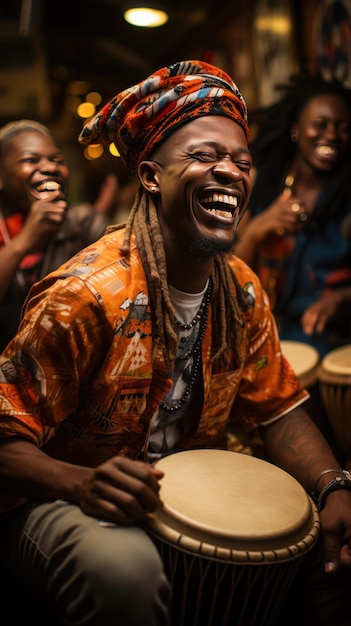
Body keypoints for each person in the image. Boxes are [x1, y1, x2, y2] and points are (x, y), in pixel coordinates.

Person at [0, 60, 350, 626]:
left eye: (241, 160)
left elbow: (280, 407)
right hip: (58, 495)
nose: (230, 172)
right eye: (204, 156)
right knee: (125, 573)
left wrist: (335, 487)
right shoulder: (86, 297)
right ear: (151, 176)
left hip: (177, 485)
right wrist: (82, 481)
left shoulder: (238, 288)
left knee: (325, 556)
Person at [235, 74, 351, 359]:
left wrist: (341, 299)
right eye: (320, 125)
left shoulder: (346, 196)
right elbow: (232, 277)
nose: (332, 135)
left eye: (343, 128)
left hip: (338, 340)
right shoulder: (267, 186)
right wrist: (257, 229)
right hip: (275, 336)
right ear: (296, 130)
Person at [0, 119, 113, 352]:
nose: (51, 168)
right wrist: (24, 242)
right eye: (31, 160)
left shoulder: (85, 223)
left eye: (57, 160)